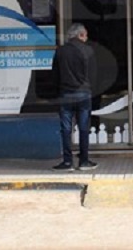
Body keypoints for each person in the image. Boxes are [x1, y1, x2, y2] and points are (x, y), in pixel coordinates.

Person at [51, 23, 98, 171]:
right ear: (80, 35)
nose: (86, 38)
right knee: (83, 128)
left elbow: (55, 74)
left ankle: (67, 162)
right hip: (84, 94)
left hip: (65, 94)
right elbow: (93, 74)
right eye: (85, 35)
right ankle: (84, 161)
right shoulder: (88, 50)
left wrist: (57, 91)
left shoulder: (61, 51)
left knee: (66, 129)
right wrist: (90, 89)